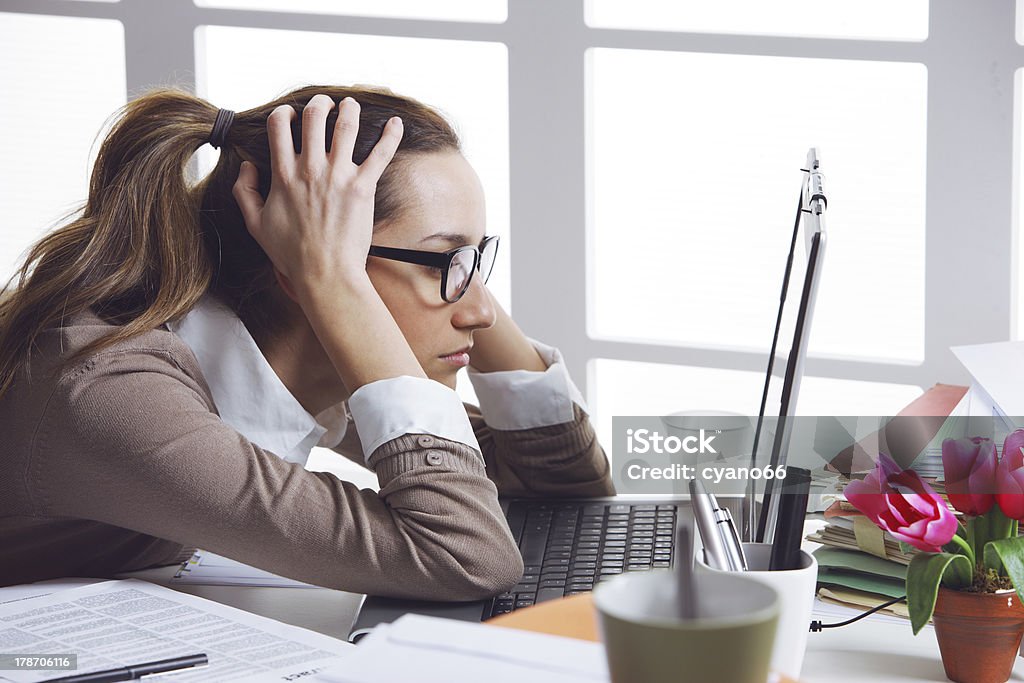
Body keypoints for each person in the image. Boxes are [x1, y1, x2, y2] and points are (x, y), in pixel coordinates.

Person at [0, 85, 613, 598]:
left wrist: (448, 260)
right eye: (440, 264)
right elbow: (467, 554)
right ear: (298, 270)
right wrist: (333, 278)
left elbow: (561, 480)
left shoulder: (298, 363)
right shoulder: (114, 393)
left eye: (479, 260)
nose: (481, 314)